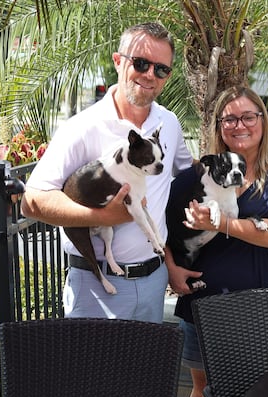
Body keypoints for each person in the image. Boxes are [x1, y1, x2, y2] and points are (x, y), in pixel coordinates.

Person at [165, 86, 268, 397]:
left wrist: (225, 223)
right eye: (229, 118)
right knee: (203, 388)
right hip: (205, 300)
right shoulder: (197, 174)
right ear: (218, 125)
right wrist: (170, 265)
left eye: (248, 117)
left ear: (263, 121)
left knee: (263, 388)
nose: (239, 125)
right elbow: (162, 221)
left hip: (264, 304)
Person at [20, 22, 194, 322]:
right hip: (95, 286)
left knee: (146, 370)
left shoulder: (170, 124)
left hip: (154, 281)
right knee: (92, 371)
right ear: (118, 61)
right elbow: (32, 201)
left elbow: (187, 175)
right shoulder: (82, 127)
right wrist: (103, 217)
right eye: (140, 63)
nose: (150, 75)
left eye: (161, 69)